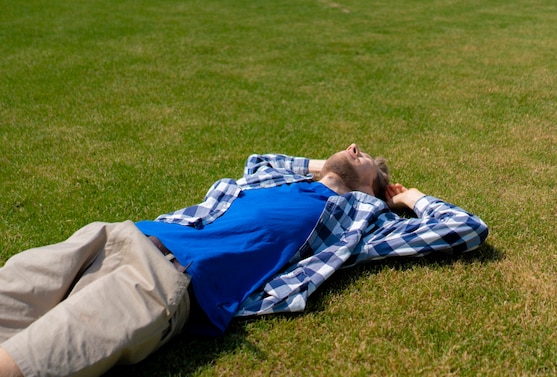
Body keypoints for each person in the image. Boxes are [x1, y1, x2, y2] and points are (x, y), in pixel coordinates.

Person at [0, 144, 488, 377]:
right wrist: (330, 165)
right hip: (114, 237)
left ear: (375, 188)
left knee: (23, 362)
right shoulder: (278, 180)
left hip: (161, 285)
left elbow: (465, 230)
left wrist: (410, 198)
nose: (353, 147)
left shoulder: (360, 221)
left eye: (364, 157)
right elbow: (261, 159)